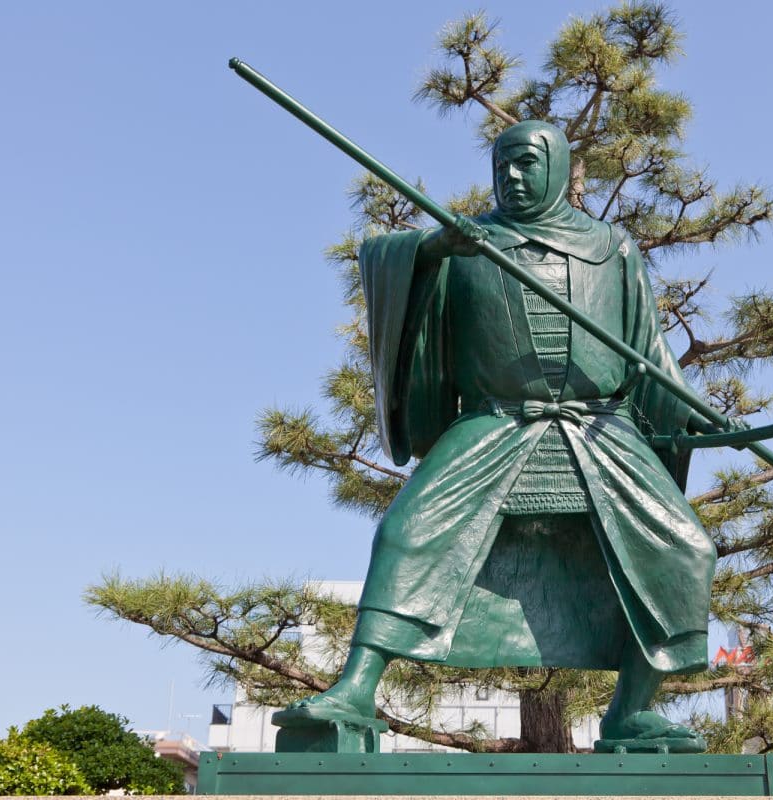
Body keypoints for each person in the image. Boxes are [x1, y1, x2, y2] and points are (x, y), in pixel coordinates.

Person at [274, 120, 718, 752]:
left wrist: (692, 410)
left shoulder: (612, 247)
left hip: (598, 426)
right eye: (501, 164)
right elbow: (385, 257)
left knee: (686, 546)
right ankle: (355, 686)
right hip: (497, 420)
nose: (511, 175)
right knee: (409, 528)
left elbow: (647, 353)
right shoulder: (469, 245)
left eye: (526, 163)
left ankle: (631, 710)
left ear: (559, 168)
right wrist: (432, 251)